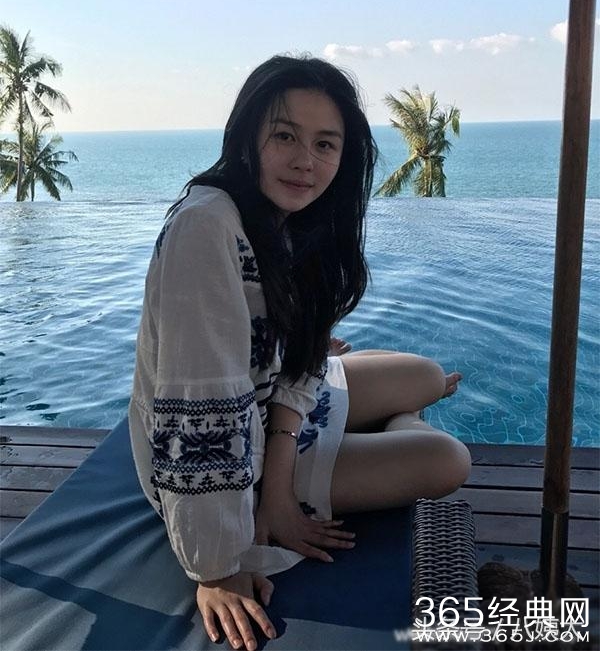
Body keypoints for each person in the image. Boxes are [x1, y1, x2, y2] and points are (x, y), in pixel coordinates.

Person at [129, 54, 470, 651]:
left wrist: (285, 481)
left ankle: (396, 419)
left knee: (423, 373)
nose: (305, 161)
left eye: (324, 144)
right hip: (221, 458)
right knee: (447, 461)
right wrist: (218, 565)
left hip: (272, 423)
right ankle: (400, 426)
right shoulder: (207, 229)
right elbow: (199, 411)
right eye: (284, 136)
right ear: (247, 137)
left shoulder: (289, 221)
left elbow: (302, 354)